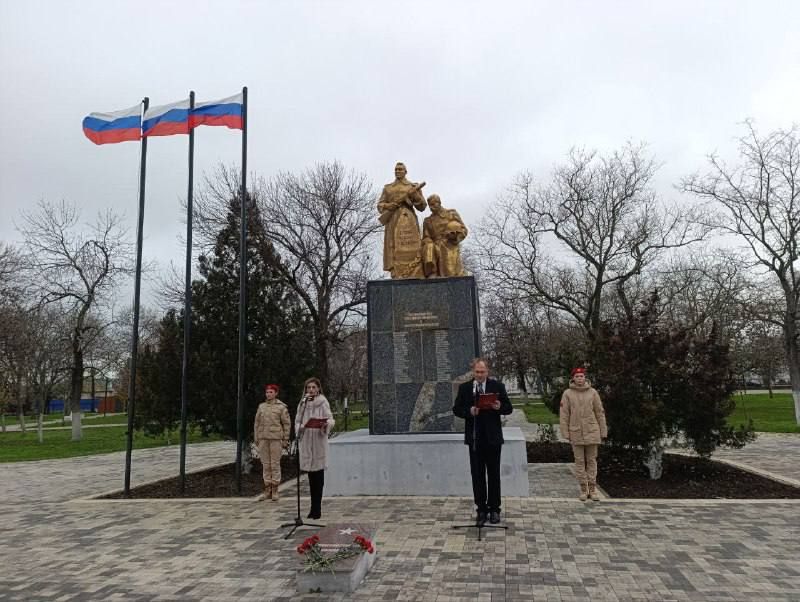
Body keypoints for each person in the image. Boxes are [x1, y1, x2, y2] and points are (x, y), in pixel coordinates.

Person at [453, 358, 513, 525]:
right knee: (477, 475)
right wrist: (469, 411)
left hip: (493, 438)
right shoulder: (465, 388)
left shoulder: (497, 386)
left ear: (488, 372)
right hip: (475, 438)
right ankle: (481, 509)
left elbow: (508, 408)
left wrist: (499, 407)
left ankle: (494, 509)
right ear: (473, 372)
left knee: (493, 474)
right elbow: (456, 409)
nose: (480, 375)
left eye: (483, 372)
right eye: (477, 372)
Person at [559, 367, 608, 501]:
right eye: (577, 376)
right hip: (576, 432)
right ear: (573, 378)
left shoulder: (593, 392)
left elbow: (599, 412)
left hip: (592, 431)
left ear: (585, 378)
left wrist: (603, 430)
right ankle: (583, 489)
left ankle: (592, 489)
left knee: (591, 460)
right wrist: (565, 432)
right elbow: (564, 414)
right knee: (579, 461)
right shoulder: (567, 394)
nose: (580, 378)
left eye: (582, 376)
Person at [377, 161, 427, 279]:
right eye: (396, 169)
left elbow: (422, 206)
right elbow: (380, 205)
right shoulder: (388, 188)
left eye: (400, 169)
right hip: (393, 219)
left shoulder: (412, 186)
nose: (398, 171)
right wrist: (389, 206)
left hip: (409, 218)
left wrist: (415, 195)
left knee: (413, 247)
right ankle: (395, 272)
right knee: (393, 245)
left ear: (405, 171)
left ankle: (415, 270)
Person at [295, 377, 335, 519]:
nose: (311, 390)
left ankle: (317, 509)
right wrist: (300, 427)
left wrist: (325, 425)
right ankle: (312, 509)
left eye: (313, 387)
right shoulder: (303, 403)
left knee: (319, 478)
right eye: (308, 387)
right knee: (311, 478)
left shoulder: (323, 402)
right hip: (307, 442)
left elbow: (330, 419)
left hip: (318, 442)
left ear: (318, 389)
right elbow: (298, 420)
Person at [254, 384, 291, 501]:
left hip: (275, 439)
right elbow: (257, 423)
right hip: (263, 439)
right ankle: (267, 489)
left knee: (274, 464)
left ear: (276, 393)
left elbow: (286, 424)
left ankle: (275, 489)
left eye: (271, 392)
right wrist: (256, 437)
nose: (268, 394)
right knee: (265, 464)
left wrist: (285, 439)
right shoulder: (261, 407)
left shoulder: (281, 407)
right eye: (267, 392)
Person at [421, 194, 468, 278]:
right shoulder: (427, 221)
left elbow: (464, 230)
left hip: (449, 244)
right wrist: (428, 241)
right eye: (430, 205)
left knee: (445, 249)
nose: (431, 207)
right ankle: (432, 273)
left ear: (439, 202)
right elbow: (426, 237)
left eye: (433, 204)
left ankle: (451, 274)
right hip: (435, 246)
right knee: (429, 247)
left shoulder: (451, 214)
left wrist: (455, 237)